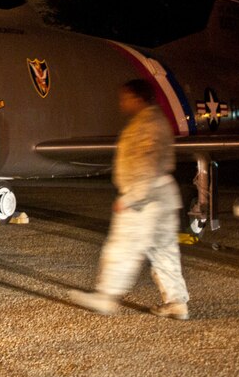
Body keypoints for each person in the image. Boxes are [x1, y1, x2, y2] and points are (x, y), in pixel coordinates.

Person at [70, 79, 190, 320]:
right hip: (162, 196)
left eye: (125, 98)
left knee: (122, 248)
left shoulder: (148, 124)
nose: (122, 103)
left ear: (137, 98)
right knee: (164, 251)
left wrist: (132, 198)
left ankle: (105, 297)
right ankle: (176, 302)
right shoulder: (154, 120)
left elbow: (148, 164)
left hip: (145, 199)